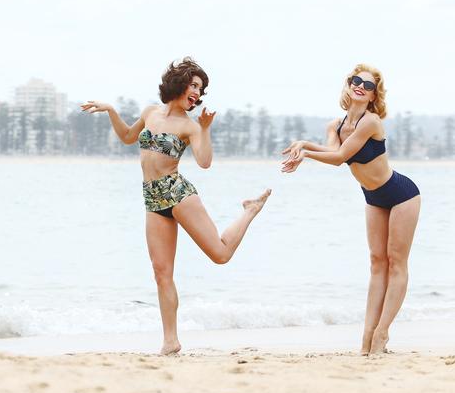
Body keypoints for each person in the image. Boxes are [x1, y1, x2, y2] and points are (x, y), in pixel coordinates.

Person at [81, 57, 271, 355]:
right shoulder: (150, 113)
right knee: (161, 272)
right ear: (178, 83)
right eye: (193, 85)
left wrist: (206, 129)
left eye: (201, 88)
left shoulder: (190, 126)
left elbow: (205, 162)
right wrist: (112, 112)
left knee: (220, 255)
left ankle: (249, 210)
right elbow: (128, 137)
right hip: (152, 197)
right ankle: (170, 341)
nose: (197, 92)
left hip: (178, 193)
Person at [281, 63, 420, 355]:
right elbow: (332, 150)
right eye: (357, 81)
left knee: (396, 263)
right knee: (376, 262)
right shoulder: (335, 125)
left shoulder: (370, 122)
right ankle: (367, 335)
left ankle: (381, 333)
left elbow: (341, 156)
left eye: (368, 86)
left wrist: (305, 153)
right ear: (348, 84)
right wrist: (304, 144)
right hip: (373, 197)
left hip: (401, 195)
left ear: (372, 96)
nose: (361, 86)